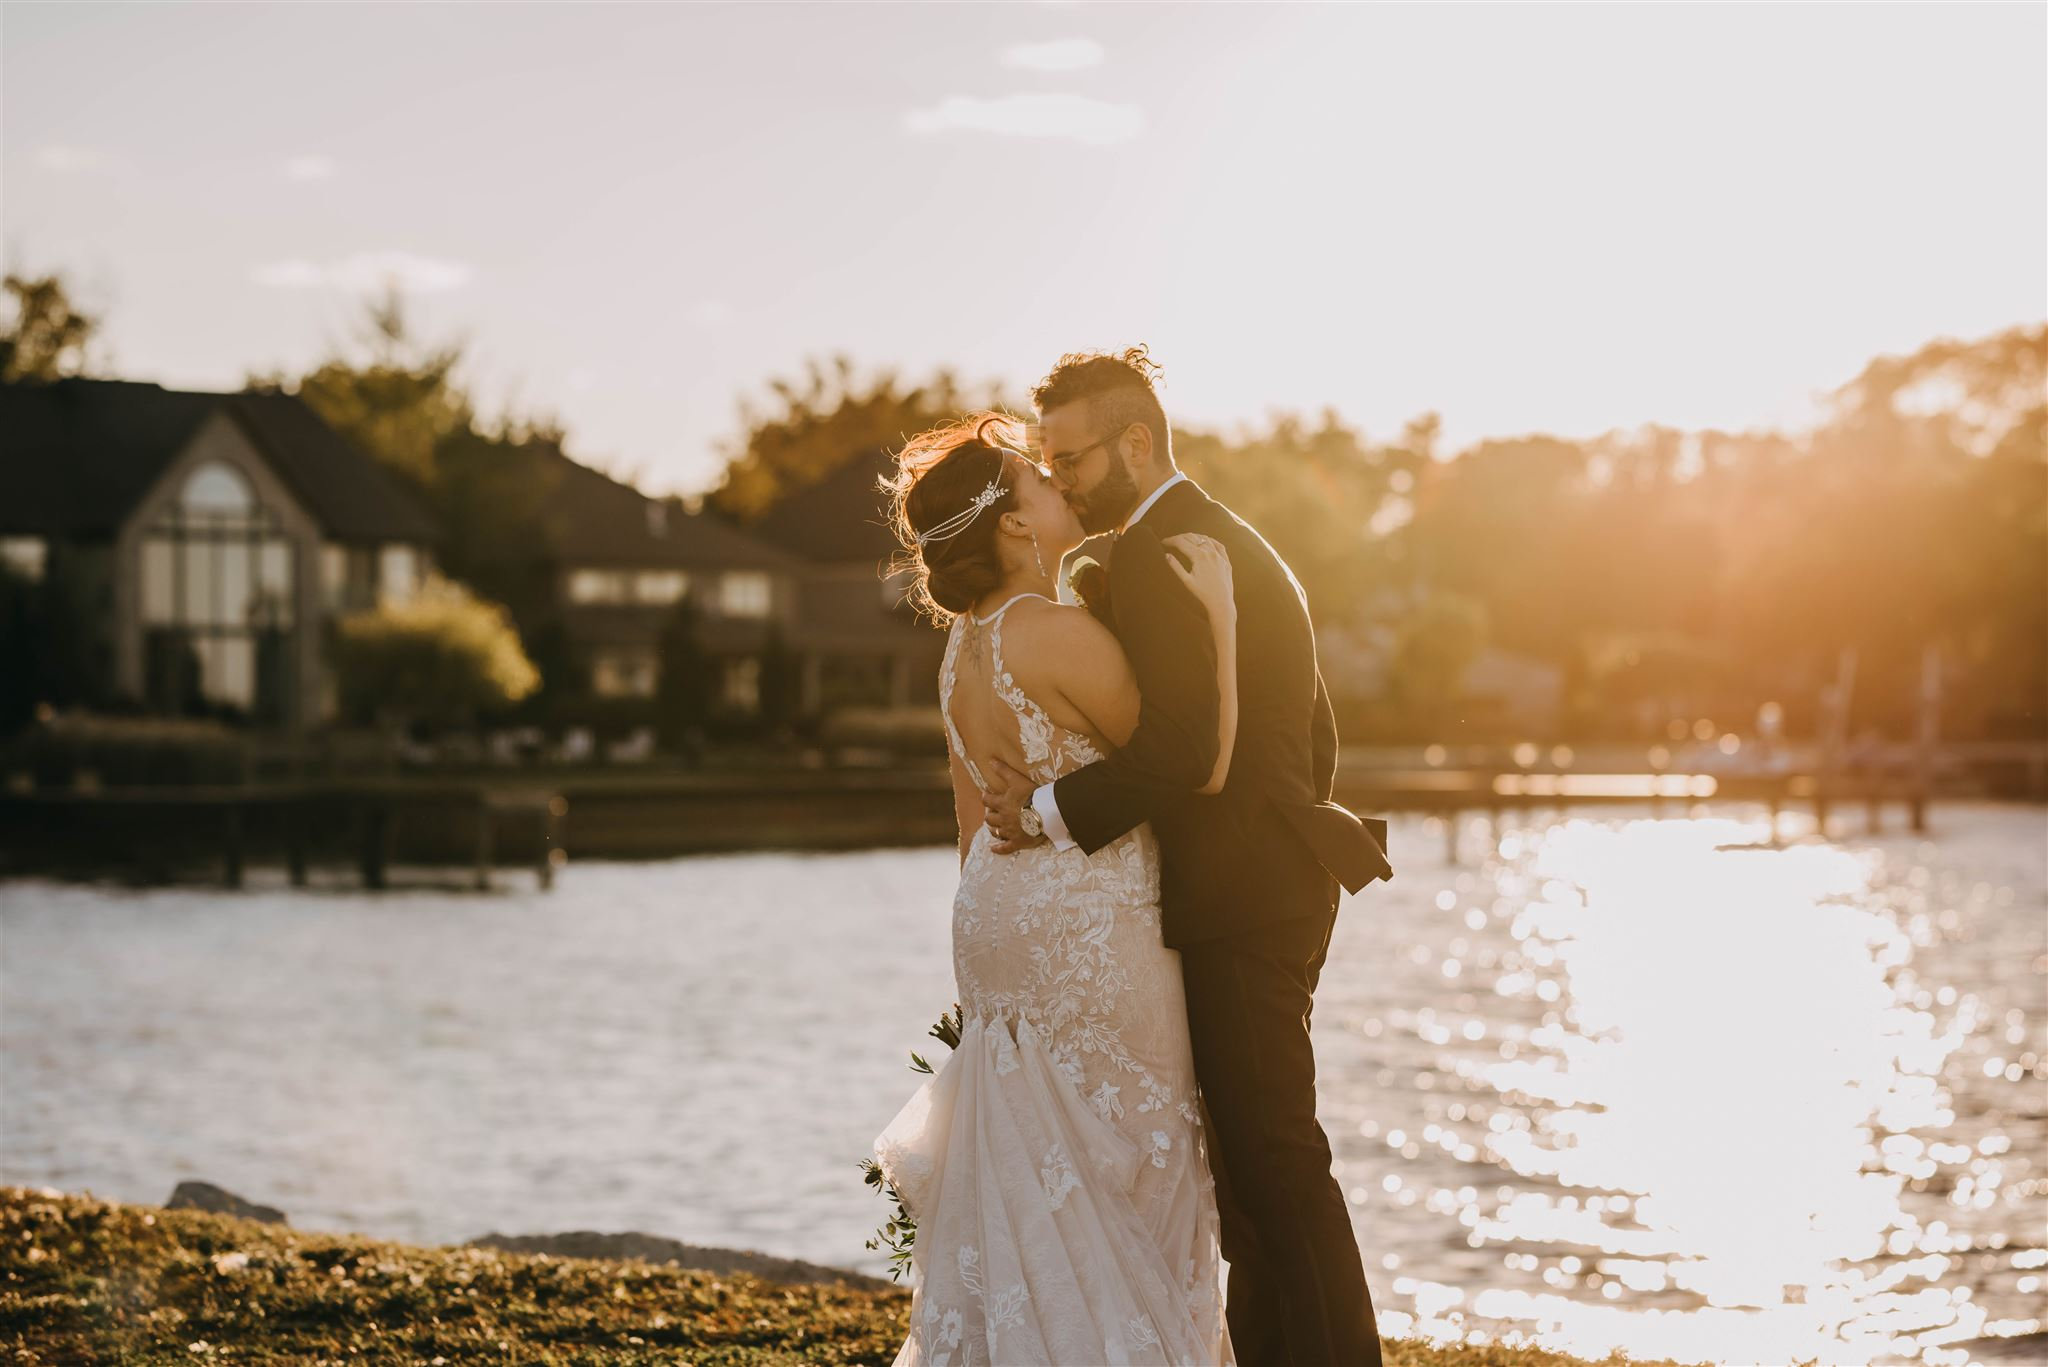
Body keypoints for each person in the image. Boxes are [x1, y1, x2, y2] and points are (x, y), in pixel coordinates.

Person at [979, 347, 1393, 1366]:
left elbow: (1177, 748)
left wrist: (1039, 809)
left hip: (1244, 896)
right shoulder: (1217, 537)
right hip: (1271, 881)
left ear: (1132, 441)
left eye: (1069, 459)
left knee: (1274, 1167)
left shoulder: (1169, 553)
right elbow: (1311, 730)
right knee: (1261, 1171)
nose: (1060, 479)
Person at [872, 411, 1239, 1365]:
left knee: (1036, 1161)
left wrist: (986, 965)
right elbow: (1185, 763)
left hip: (993, 914)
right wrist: (1222, 634)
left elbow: (967, 827)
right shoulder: (1057, 634)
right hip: (1089, 920)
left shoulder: (962, 653)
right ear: (1014, 526)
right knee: (1135, 1155)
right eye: (1040, 481)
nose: (1058, 487)